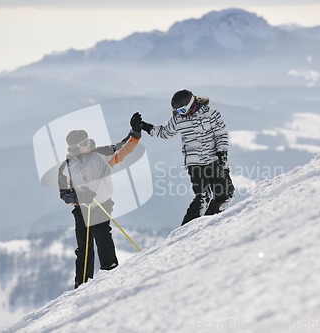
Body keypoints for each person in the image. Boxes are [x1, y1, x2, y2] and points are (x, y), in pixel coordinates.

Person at [58, 112, 142, 288]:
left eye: (87, 140)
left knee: (102, 235)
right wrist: (80, 197)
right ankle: (82, 284)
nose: (86, 145)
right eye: (82, 144)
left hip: (102, 204)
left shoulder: (102, 154)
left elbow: (123, 147)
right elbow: (64, 194)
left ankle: (110, 270)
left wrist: (134, 132)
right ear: (73, 148)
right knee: (84, 246)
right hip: (82, 208)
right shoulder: (66, 167)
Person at [140, 89, 235, 226]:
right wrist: (145, 126)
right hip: (195, 163)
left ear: (191, 103)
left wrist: (222, 152)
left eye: (183, 110)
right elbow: (165, 133)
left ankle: (209, 221)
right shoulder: (178, 120)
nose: (181, 114)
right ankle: (185, 230)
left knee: (226, 195)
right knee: (203, 197)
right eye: (178, 111)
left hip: (215, 160)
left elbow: (221, 134)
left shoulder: (211, 114)